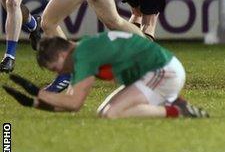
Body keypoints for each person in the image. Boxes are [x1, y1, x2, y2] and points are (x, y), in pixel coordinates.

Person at [3, 32, 207, 118]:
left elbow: (75, 103)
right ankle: (170, 103)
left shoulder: (84, 56)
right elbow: (68, 104)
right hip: (151, 73)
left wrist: (36, 91)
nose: (59, 73)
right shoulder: (82, 51)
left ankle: (177, 111)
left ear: (63, 54)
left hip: (164, 71)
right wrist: (33, 103)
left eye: (55, 68)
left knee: (111, 114)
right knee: (103, 112)